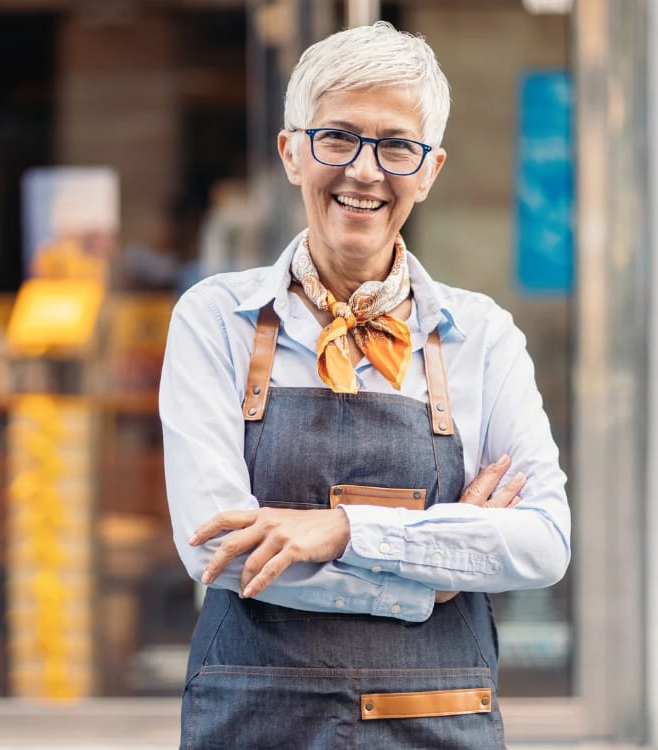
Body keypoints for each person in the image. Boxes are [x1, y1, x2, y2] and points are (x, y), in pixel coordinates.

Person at [159, 21, 570, 749]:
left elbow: (541, 542)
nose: (365, 171)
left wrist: (343, 530)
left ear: (431, 168)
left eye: (396, 145)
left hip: (437, 724)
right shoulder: (215, 319)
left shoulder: (482, 336)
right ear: (292, 152)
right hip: (255, 727)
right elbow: (215, 551)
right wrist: (434, 579)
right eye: (338, 138)